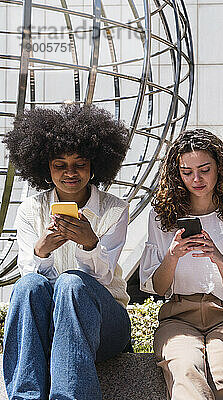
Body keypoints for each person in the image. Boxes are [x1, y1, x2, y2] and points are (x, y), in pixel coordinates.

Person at [2, 105, 131, 400]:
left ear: (94, 165)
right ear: (46, 167)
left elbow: (104, 276)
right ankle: (25, 397)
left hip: (105, 327)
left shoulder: (114, 209)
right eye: (60, 164)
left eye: (79, 164)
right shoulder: (31, 210)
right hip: (49, 328)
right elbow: (29, 286)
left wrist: (89, 244)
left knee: (72, 282)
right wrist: (42, 251)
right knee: (29, 284)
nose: (70, 173)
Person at [139, 129, 223, 400]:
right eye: (187, 171)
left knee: (221, 376)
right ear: (176, 174)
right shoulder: (161, 218)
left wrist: (217, 256)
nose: (196, 179)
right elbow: (157, 288)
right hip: (178, 317)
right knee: (185, 368)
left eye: (204, 169)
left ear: (220, 169)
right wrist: (173, 255)